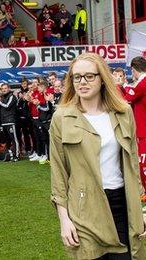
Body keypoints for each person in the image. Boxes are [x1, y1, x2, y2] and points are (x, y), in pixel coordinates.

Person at [50, 52, 146, 259]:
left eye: (89, 76)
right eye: (77, 77)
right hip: (84, 208)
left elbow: (131, 164)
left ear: (102, 78)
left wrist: (139, 210)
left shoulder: (123, 112)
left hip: (122, 204)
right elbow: (58, 172)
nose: (82, 82)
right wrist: (64, 220)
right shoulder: (61, 117)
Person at [121, 57, 146, 196]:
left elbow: (129, 97)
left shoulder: (142, 83)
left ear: (134, 70)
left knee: (143, 166)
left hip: (144, 132)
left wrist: (122, 85)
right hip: (142, 131)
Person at [0, 83, 18, 161]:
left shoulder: (12, 96)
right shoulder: (2, 97)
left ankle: (16, 155)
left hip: (11, 121)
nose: (4, 90)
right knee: (8, 140)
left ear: (9, 88)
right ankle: (10, 155)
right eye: (2, 89)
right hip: (4, 121)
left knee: (14, 139)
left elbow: (7, 106)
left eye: (5, 88)